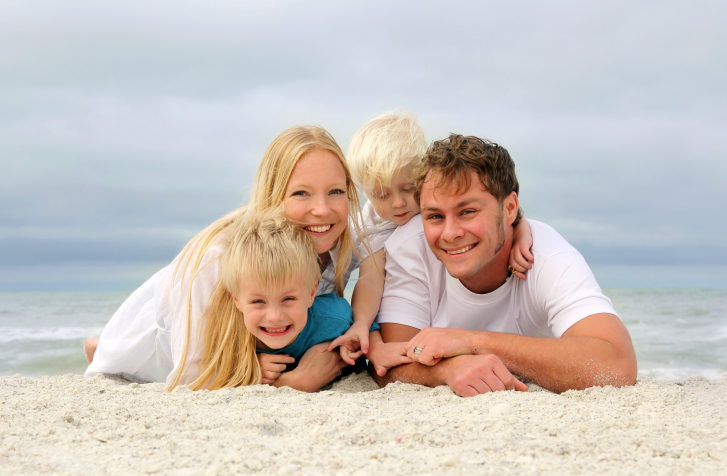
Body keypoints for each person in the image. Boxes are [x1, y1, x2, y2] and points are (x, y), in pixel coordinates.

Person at [84, 126, 408, 390]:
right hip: (161, 343)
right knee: (129, 357)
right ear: (272, 194)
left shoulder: (338, 234)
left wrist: (366, 328)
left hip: (237, 338)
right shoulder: (218, 260)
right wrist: (286, 381)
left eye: (335, 192)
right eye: (300, 193)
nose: (322, 209)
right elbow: (188, 376)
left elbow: (379, 239)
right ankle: (105, 349)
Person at [373, 134, 638, 396]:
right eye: (434, 216)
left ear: (510, 208)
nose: (450, 233)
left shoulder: (549, 257)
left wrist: (470, 342)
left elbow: (617, 364)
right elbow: (388, 362)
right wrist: (446, 370)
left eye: (467, 212)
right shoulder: (409, 248)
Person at [328, 112, 534, 367]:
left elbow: (506, 211)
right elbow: (369, 282)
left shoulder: (433, 209)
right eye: (381, 195)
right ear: (366, 192)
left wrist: (522, 235)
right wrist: (368, 334)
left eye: (407, 188)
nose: (398, 203)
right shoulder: (373, 227)